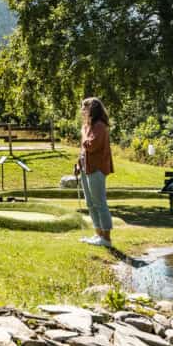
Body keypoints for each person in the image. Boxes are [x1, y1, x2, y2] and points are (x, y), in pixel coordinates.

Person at [78, 97, 114, 247]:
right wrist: (78, 163)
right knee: (90, 203)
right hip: (86, 167)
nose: (82, 111)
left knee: (100, 202)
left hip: (97, 168)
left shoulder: (99, 126)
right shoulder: (88, 127)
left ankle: (106, 238)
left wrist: (84, 134)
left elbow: (91, 146)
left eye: (84, 108)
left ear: (91, 109)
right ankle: (98, 234)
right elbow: (83, 149)